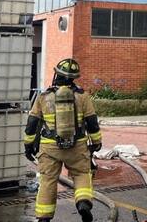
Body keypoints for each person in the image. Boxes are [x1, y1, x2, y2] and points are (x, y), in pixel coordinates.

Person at [23, 58, 103, 222]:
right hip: (77, 146)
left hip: (50, 148)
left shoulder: (44, 97)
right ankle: (83, 204)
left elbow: (32, 123)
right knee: (81, 174)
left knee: (47, 181)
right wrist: (96, 142)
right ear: (74, 77)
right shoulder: (82, 97)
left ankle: (44, 218)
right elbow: (92, 122)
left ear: (57, 74)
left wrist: (28, 144)